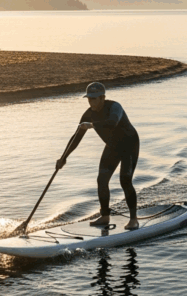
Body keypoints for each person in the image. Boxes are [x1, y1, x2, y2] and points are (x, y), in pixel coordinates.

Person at [56, 82, 140, 230]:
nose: (91, 102)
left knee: (125, 181)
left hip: (129, 145)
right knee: (102, 180)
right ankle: (105, 216)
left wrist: (92, 125)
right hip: (113, 147)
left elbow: (112, 123)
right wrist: (63, 157)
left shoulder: (115, 107)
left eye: (94, 99)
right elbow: (76, 137)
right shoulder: (88, 114)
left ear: (102, 98)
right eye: (89, 99)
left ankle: (134, 219)